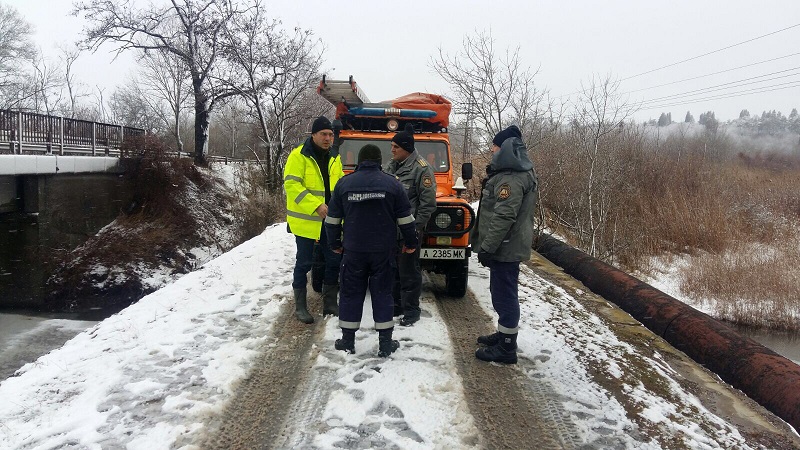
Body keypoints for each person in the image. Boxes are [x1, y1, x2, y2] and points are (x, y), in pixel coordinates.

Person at [325, 144, 418, 357]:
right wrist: (411, 242)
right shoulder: (392, 184)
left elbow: (331, 221)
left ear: (359, 161)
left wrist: (334, 244)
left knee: (350, 293)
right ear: (379, 162)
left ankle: (348, 341)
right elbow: (406, 220)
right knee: (383, 293)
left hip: (354, 251)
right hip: (382, 251)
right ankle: (385, 343)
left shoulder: (344, 184)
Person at [471, 125, 538, 364]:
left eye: (495, 146)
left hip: (505, 247)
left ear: (505, 147)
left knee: (504, 296)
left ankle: (507, 348)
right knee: (501, 293)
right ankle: (503, 336)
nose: (491, 150)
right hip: (506, 245)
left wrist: (488, 247)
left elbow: (503, 216)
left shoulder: (511, 178)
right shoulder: (514, 172)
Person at [283, 116, 345, 324]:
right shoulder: (298, 156)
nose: (328, 138)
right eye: (324, 134)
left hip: (331, 221)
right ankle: (301, 307)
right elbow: (292, 186)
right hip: (306, 222)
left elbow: (341, 185)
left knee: (333, 261)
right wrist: (315, 205)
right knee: (304, 263)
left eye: (330, 134)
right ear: (313, 135)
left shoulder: (335, 156)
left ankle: (330, 303)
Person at [384, 124, 437, 327]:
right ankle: (396, 305)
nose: (392, 150)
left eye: (395, 146)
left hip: (409, 231)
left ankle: (411, 310)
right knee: (393, 270)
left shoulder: (421, 169)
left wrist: (415, 229)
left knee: (409, 271)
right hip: (390, 230)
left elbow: (428, 203)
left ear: (406, 148)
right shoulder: (391, 166)